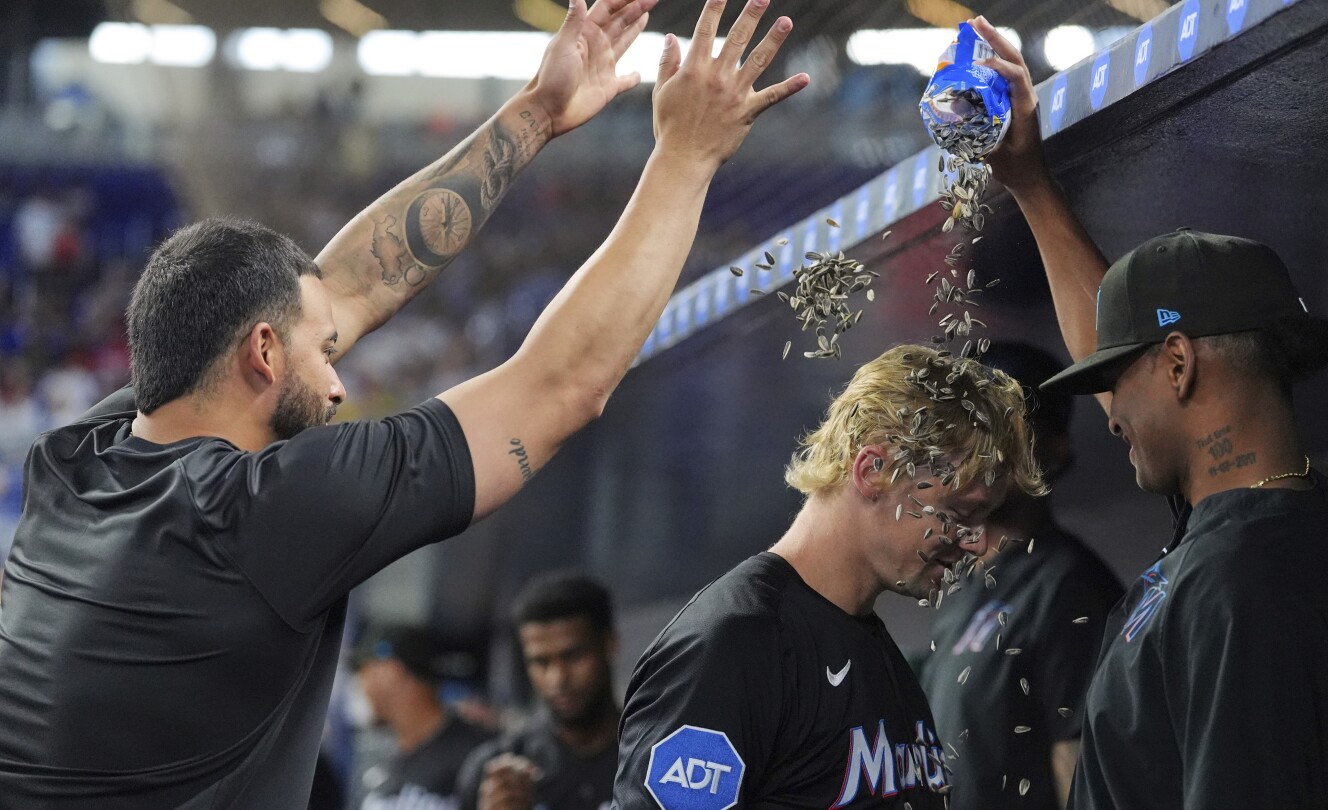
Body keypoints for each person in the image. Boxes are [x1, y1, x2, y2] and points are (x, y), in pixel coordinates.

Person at [0, 0, 810, 805]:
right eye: (324, 354)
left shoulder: (76, 458)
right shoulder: (263, 513)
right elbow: (562, 387)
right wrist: (687, 155)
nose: (339, 380)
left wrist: (536, 113)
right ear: (261, 353)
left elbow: (336, 293)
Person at [971, 17, 1328, 808]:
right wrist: (1028, 180)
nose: (1107, 410)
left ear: (1178, 365)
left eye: (1116, 380)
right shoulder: (1261, 523)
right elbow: (1123, 352)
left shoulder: (1255, 578)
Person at [615, 344, 1047, 809]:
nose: (974, 541)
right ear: (873, 470)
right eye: (961, 511)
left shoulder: (875, 652)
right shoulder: (734, 643)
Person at [915, 342, 1122, 809]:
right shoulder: (964, 587)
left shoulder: (1069, 587)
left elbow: (1082, 771)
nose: (979, 450)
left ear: (1052, 450)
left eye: (1002, 431)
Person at [457, 572, 621, 810]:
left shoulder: (653, 759)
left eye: (573, 656)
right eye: (541, 662)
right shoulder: (494, 773)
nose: (558, 678)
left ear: (609, 644)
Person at [353, 627, 493, 810]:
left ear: (392, 672)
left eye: (364, 672)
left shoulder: (478, 754)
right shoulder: (380, 763)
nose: (361, 685)